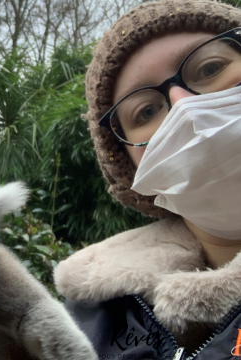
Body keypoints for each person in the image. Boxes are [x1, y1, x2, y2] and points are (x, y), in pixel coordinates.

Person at [53, 0, 241, 359]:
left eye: (210, 67)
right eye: (147, 111)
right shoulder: (87, 323)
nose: (184, 109)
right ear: (131, 169)